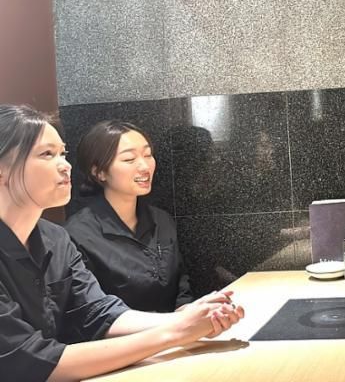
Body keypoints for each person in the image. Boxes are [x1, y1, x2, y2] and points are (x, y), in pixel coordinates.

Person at [0, 105, 244, 381]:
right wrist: (175, 331)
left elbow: (98, 311)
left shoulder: (55, 239)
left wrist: (190, 318)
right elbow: (30, 361)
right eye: (47, 154)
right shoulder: (78, 231)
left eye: (63, 154)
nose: (65, 165)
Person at [65, 121, 192, 312]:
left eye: (148, 155)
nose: (144, 166)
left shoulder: (162, 219)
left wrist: (189, 312)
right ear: (99, 172)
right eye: (129, 159)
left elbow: (181, 284)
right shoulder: (77, 235)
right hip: (124, 330)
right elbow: (92, 310)